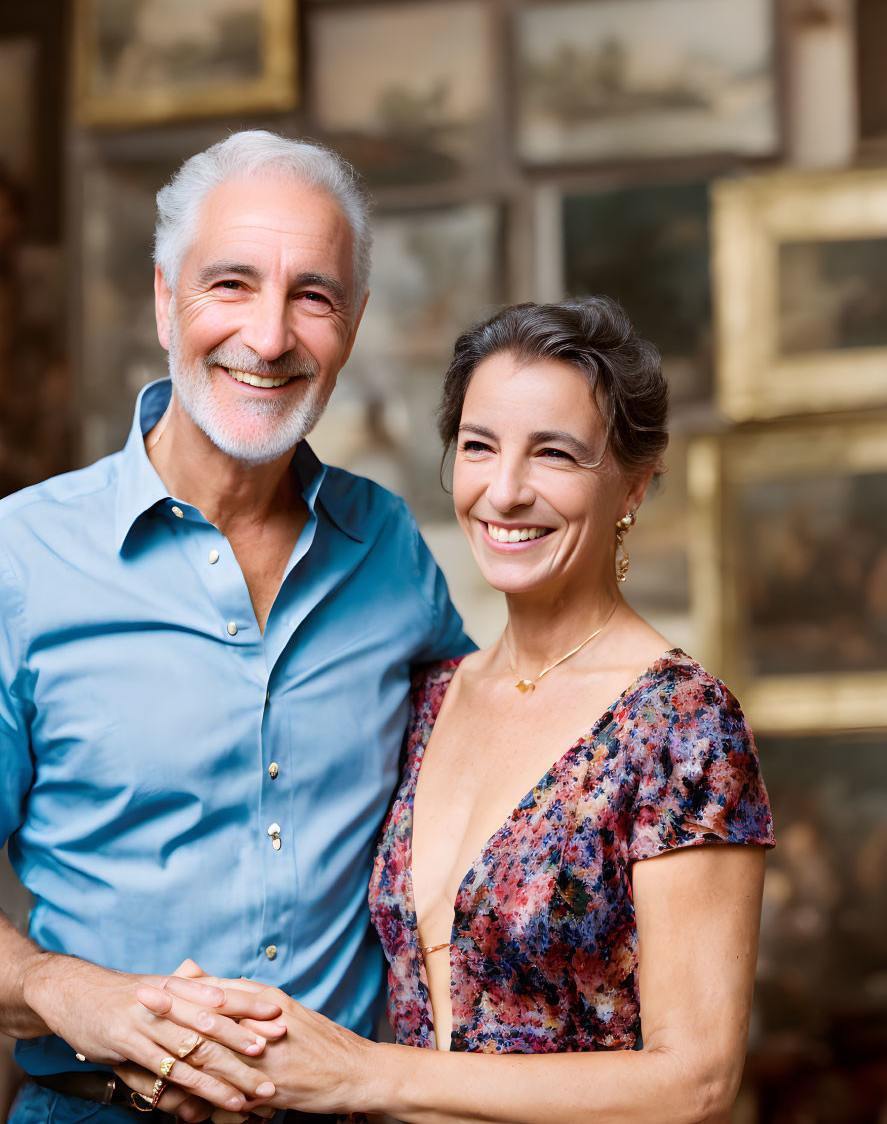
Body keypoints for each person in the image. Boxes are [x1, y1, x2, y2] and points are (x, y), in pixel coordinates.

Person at [122, 298, 775, 1124]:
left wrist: (368, 1074)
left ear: (634, 484)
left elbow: (696, 1084)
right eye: (477, 447)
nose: (503, 491)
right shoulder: (431, 691)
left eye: (554, 454)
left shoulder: (683, 724)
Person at [0, 130, 472, 1124]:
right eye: (231, 284)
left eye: (312, 295)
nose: (268, 337)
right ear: (163, 298)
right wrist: (58, 988)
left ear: (352, 322)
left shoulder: (387, 548)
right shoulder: (22, 562)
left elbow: (493, 793)